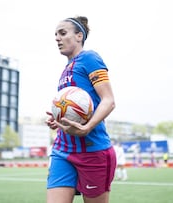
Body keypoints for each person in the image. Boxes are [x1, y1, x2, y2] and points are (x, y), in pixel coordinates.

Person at [45, 16, 116, 203]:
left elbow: (108, 100)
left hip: (92, 151)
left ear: (79, 36)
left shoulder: (89, 58)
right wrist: (58, 120)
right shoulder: (66, 69)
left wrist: (87, 127)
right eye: (55, 35)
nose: (57, 38)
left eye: (62, 33)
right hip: (62, 150)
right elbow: (74, 110)